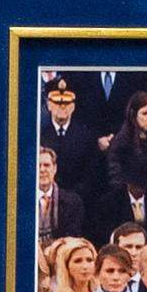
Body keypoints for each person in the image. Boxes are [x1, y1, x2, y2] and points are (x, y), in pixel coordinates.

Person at [39, 77, 101, 209]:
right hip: (44, 202)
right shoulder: (39, 136)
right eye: (57, 102)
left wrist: (69, 198)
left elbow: (92, 177)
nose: (62, 107)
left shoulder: (86, 137)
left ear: (73, 106)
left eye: (67, 103)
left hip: (77, 204)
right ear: (49, 105)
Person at [94, 163, 147, 246]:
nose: (138, 188)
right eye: (135, 185)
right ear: (127, 183)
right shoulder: (109, 203)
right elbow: (104, 233)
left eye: (142, 185)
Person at [36, 147, 84, 244]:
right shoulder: (21, 201)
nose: (42, 170)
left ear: (54, 168)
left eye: (46, 165)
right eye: (38, 165)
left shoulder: (72, 202)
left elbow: (73, 239)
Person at [109, 222, 146, 292]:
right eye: (128, 247)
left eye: (139, 247)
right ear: (114, 248)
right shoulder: (101, 283)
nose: (133, 253)